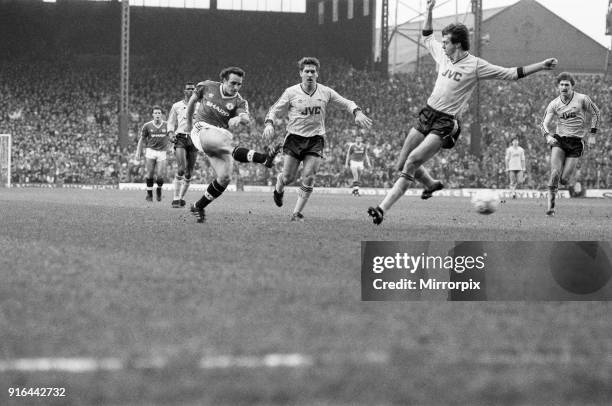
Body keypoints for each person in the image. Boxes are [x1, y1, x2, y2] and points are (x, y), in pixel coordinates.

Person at [367, 0, 558, 225]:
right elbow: (428, 36)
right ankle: (430, 184)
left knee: (411, 162)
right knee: (400, 164)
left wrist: (541, 66)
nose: (443, 45)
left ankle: (382, 209)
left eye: (447, 42)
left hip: (445, 123)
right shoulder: (443, 56)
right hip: (427, 114)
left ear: (457, 44)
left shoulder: (475, 65)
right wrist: (428, 10)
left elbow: (510, 73)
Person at [263, 57, 373, 221]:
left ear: (317, 74)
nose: (309, 74)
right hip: (294, 138)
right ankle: (279, 186)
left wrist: (357, 112)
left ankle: (296, 213)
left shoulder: (326, 92)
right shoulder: (291, 92)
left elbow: (347, 102)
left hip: (315, 140)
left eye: (312, 71)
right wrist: (269, 124)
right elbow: (273, 109)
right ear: (301, 73)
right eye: (306, 71)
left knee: (309, 175)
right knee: (288, 178)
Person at [186, 67, 277, 222]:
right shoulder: (207, 86)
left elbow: (246, 118)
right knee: (221, 142)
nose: (236, 87)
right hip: (202, 129)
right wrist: (188, 126)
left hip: (220, 138)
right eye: (233, 83)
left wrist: (239, 119)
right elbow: (192, 102)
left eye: (239, 84)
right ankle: (263, 158)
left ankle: (198, 206)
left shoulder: (239, 101)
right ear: (224, 81)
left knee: (225, 177)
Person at [541, 72, 600, 216]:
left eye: (567, 84)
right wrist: (548, 136)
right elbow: (543, 123)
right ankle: (551, 207)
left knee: (565, 180)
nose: (564, 87)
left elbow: (596, 112)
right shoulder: (554, 103)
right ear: (558, 87)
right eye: (561, 84)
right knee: (555, 172)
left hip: (576, 143)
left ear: (572, 86)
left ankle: (559, 186)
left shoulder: (582, 99)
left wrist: (592, 133)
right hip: (559, 140)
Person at [167, 82, 197, 208]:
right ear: (185, 91)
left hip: (194, 139)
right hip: (180, 138)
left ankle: (181, 197)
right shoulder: (176, 106)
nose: (191, 90)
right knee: (181, 168)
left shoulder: (200, 106)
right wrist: (170, 133)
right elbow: (171, 122)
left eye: (193, 89)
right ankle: (175, 198)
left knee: (189, 173)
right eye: (189, 89)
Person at [135, 105, 169, 202]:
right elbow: (142, 139)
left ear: (161, 115)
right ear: (152, 115)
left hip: (162, 152)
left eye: (159, 113)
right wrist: (138, 152)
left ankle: (159, 191)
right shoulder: (147, 125)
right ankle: (149, 195)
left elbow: (172, 136)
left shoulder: (167, 125)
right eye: (155, 113)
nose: (157, 114)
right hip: (150, 151)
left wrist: (172, 147)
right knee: (149, 174)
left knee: (160, 175)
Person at [344, 131, 371, 196]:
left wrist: (368, 162)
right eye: (357, 138)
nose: (358, 140)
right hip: (353, 162)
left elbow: (365, 155)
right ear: (355, 139)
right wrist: (346, 163)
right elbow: (348, 155)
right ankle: (356, 192)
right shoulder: (352, 146)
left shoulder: (364, 146)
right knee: (355, 176)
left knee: (358, 178)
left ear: (361, 139)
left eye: (359, 138)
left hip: (360, 163)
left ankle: (354, 190)